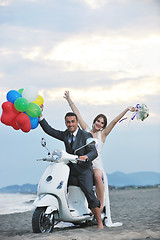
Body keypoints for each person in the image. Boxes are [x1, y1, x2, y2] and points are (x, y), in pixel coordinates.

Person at [64, 90, 137, 227]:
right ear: (94, 121)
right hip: (84, 164)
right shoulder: (85, 130)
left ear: (103, 125)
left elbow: (115, 121)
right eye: (98, 121)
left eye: (102, 123)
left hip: (96, 165)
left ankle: (101, 205)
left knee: (98, 176)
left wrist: (127, 109)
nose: (99, 124)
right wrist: (69, 100)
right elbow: (77, 114)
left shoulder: (102, 135)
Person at [38, 108, 104, 229]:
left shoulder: (86, 135)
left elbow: (93, 152)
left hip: (84, 170)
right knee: (60, 186)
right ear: (65, 123)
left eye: (73, 121)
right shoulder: (65, 134)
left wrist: (86, 157)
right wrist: (40, 116)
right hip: (70, 170)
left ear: (77, 122)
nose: (70, 124)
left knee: (88, 192)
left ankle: (99, 222)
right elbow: (50, 130)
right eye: (68, 122)